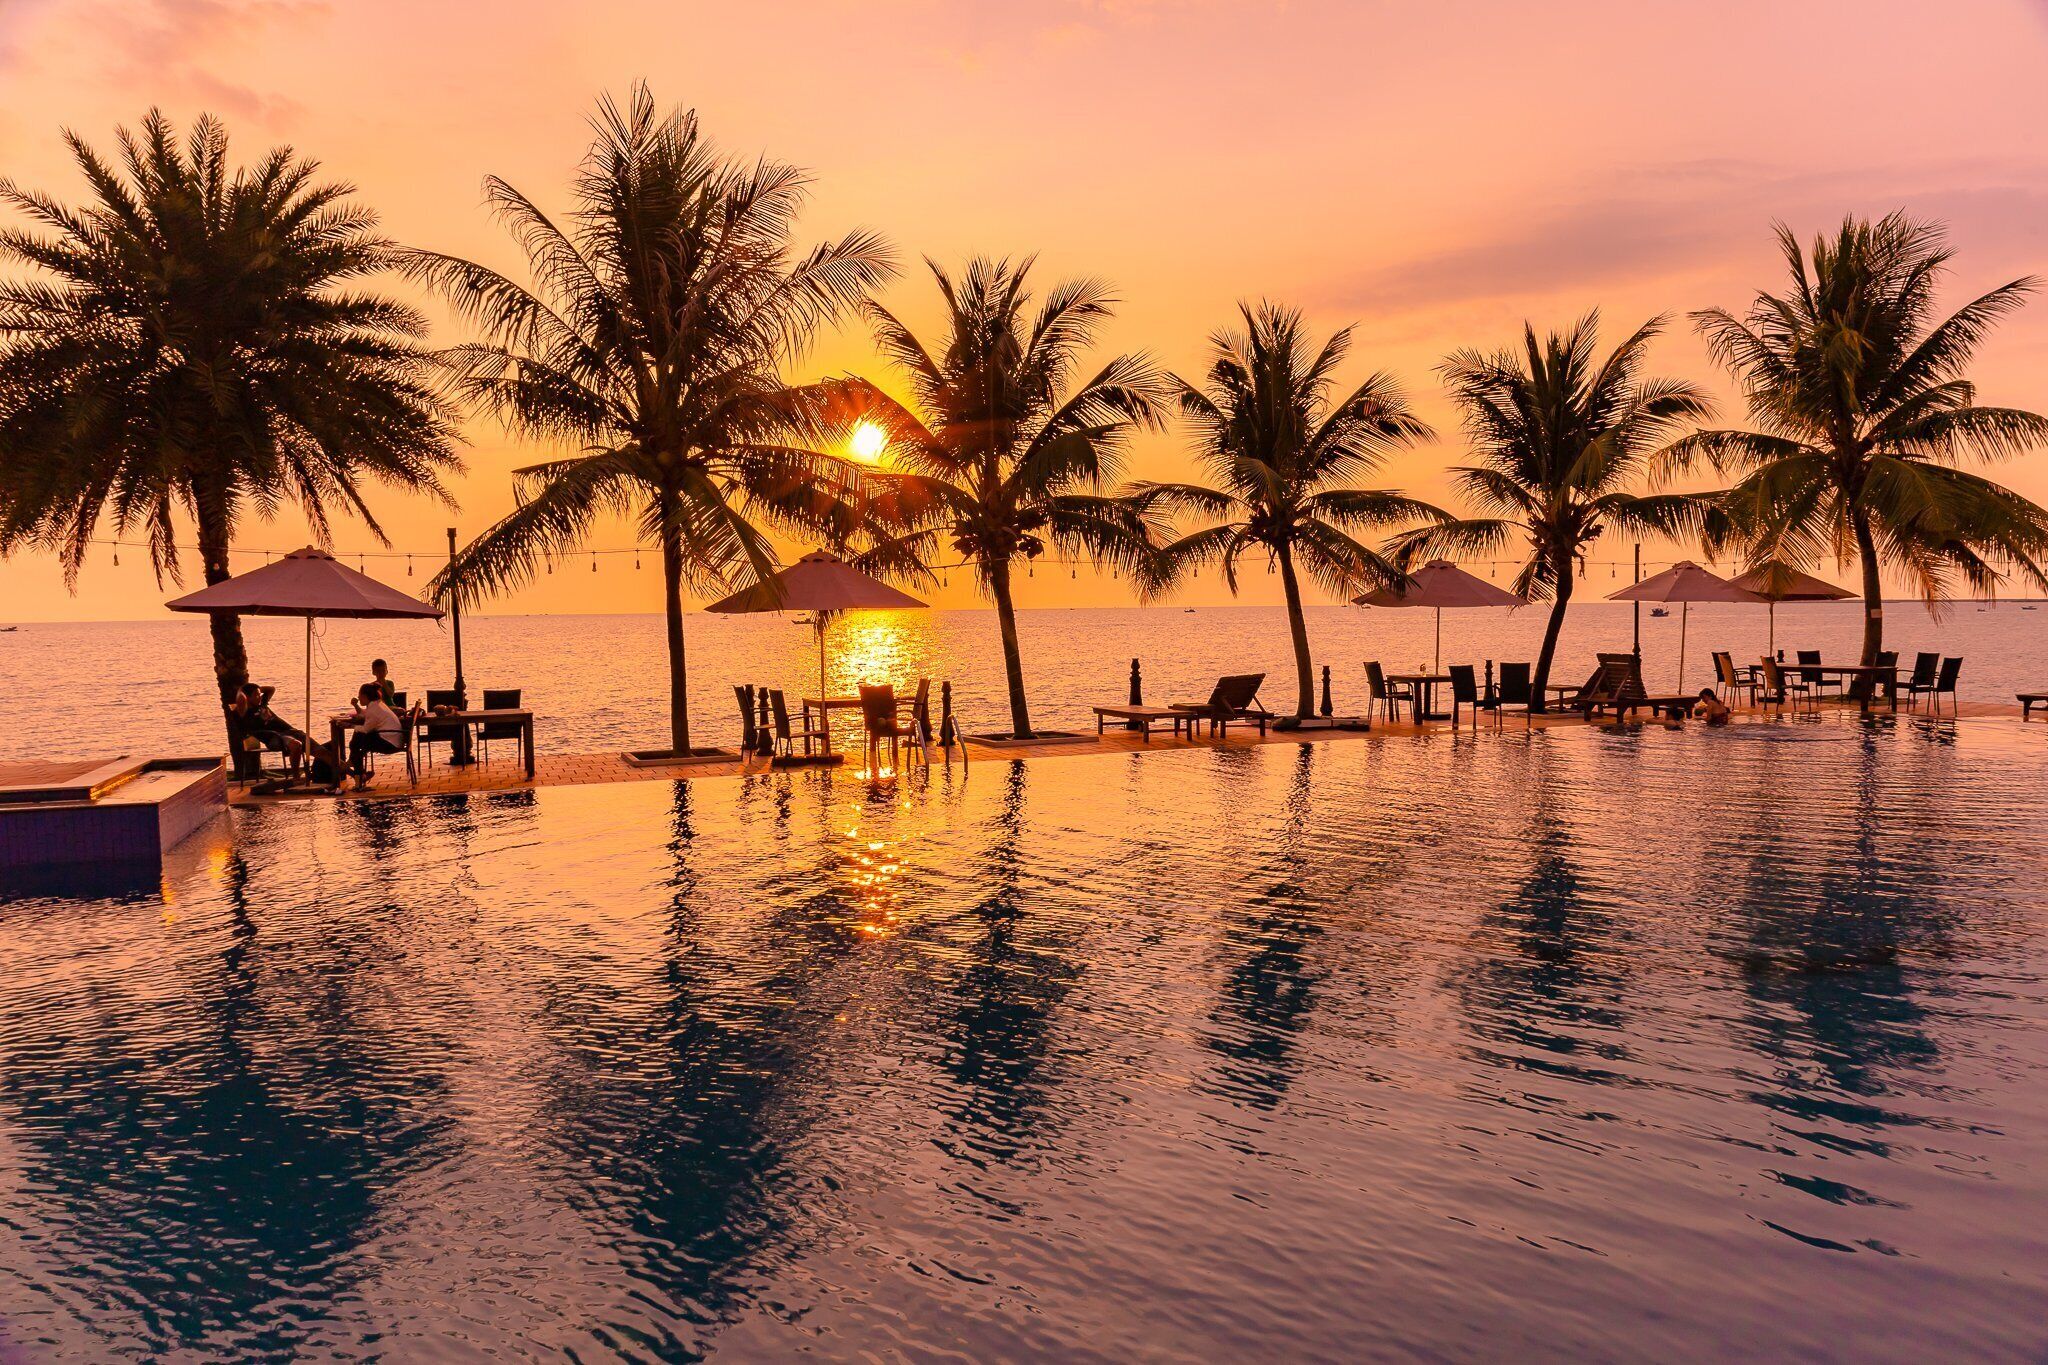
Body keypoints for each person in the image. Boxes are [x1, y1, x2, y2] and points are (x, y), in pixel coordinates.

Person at [231, 682, 307, 775]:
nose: (259, 697)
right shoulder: (244, 713)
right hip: (274, 738)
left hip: (288, 732)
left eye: (259, 695)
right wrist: (242, 691)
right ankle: (296, 776)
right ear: (247, 697)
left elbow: (271, 689)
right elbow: (241, 700)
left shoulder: (262, 704)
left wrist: (257, 690)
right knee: (296, 744)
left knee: (309, 743)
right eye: (256, 695)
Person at [348, 682, 406, 789]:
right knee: (357, 741)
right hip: (392, 738)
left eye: (359, 696)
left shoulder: (374, 709)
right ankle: (358, 770)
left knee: (357, 740)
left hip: (389, 743)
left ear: (365, 696)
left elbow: (366, 729)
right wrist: (356, 706)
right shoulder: (378, 704)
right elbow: (365, 714)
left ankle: (358, 773)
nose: (358, 698)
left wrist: (350, 726)